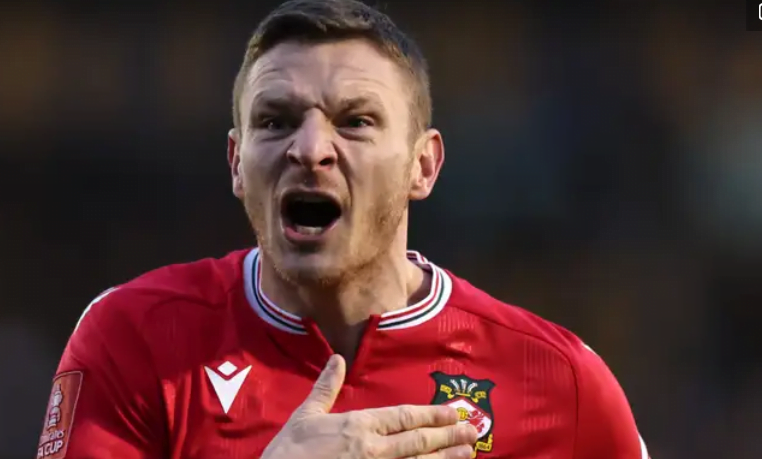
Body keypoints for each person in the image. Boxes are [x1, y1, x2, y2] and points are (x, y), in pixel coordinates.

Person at [35, 0, 651, 458]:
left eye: (355, 121)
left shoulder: (556, 381)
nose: (310, 148)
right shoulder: (138, 339)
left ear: (423, 166)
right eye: (275, 121)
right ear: (236, 164)